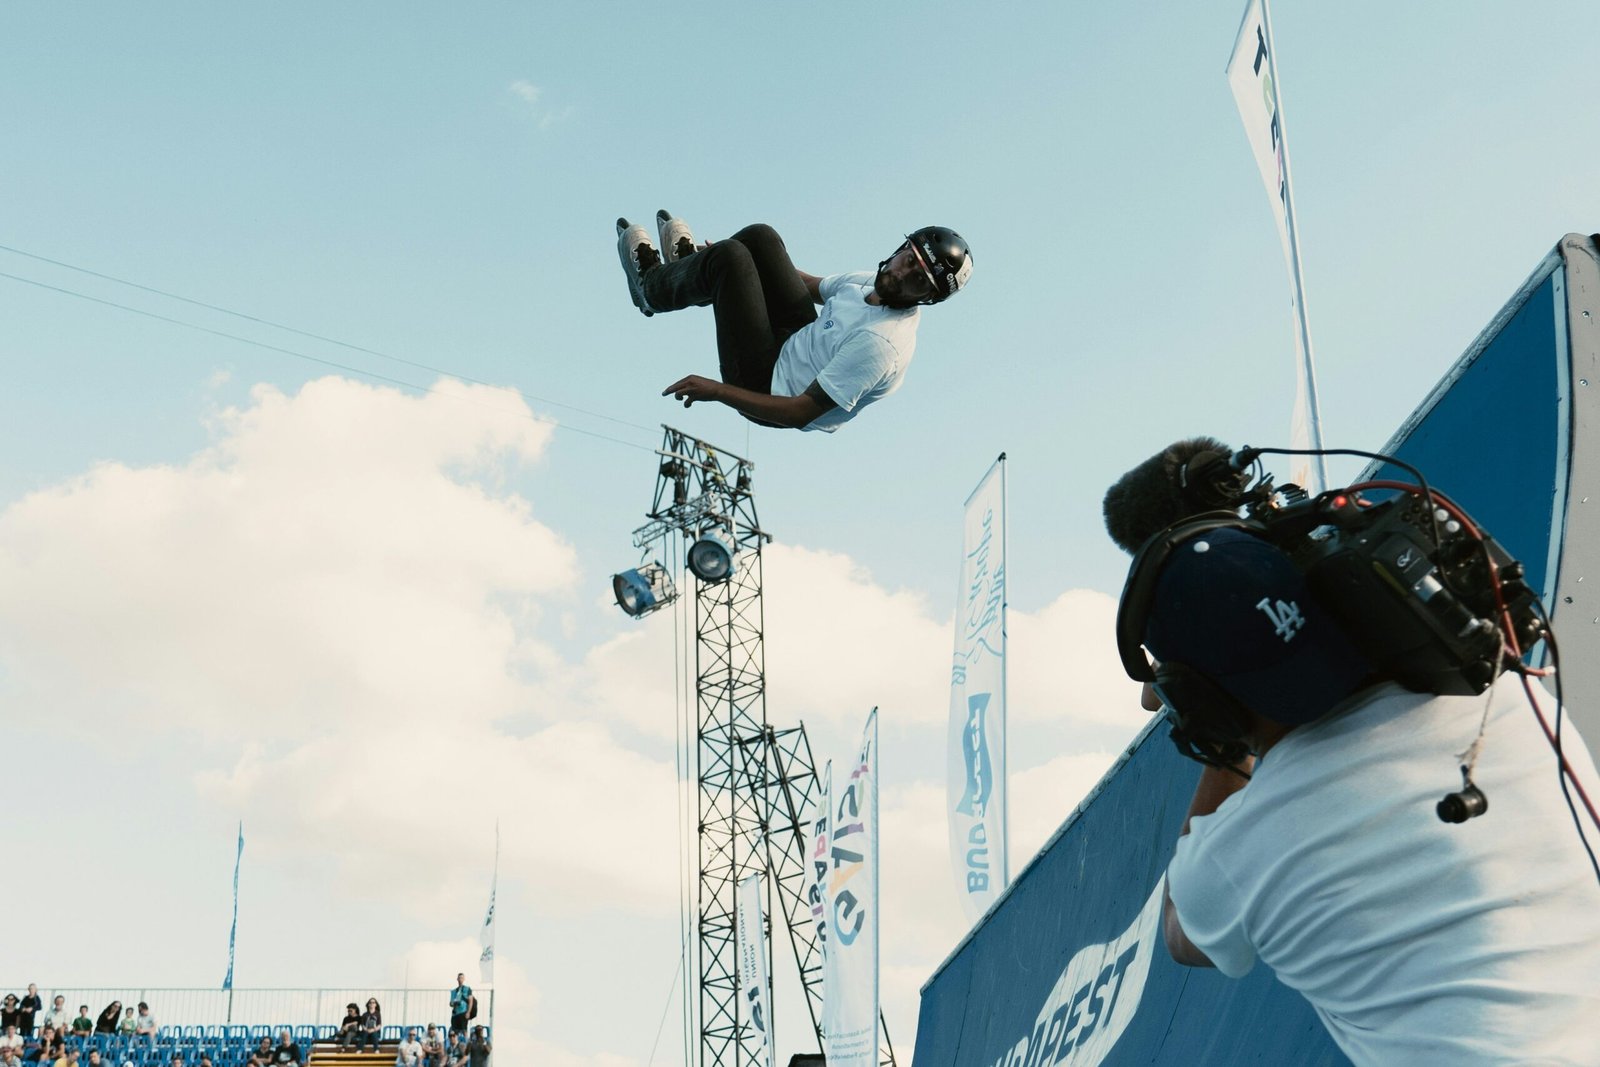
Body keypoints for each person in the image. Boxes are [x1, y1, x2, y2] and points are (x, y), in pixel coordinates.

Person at [1110, 507, 1600, 1065]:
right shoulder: (1516, 704)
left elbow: (1181, 931)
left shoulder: (1234, 855)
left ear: (1200, 703)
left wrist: (1227, 747)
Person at [616, 213, 972, 432]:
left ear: (928, 297)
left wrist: (717, 391)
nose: (901, 274)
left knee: (730, 258)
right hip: (796, 339)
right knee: (759, 238)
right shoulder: (872, 280)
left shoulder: (881, 345)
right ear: (901, 249)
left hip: (768, 388)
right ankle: (694, 272)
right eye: (908, 259)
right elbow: (811, 285)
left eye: (919, 280)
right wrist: (736, 268)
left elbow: (801, 412)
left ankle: (650, 291)